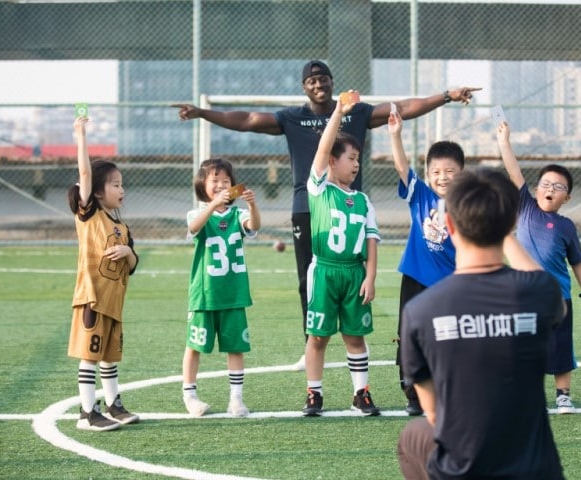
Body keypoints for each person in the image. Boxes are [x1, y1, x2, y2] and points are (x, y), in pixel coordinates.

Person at [173, 60, 479, 370]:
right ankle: (312, 344)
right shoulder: (293, 118)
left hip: (349, 212)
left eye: (324, 79)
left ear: (333, 82)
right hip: (308, 210)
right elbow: (249, 118)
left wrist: (446, 95)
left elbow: (401, 106)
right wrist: (202, 113)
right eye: (312, 81)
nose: (318, 85)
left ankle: (354, 337)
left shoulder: (357, 112)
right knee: (309, 280)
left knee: (354, 275)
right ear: (304, 87)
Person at [397, 168, 566, 480]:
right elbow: (544, 284)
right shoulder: (540, 293)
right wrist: (506, 234)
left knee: (414, 434)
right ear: (512, 224)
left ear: (449, 225)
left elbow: (435, 415)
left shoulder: (420, 311)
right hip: (537, 471)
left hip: (463, 471)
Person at [497, 120, 581, 414]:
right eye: (545, 184)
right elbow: (513, 171)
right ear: (536, 188)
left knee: (560, 346)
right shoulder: (526, 207)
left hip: (559, 298)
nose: (550, 189)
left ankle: (563, 395)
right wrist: (505, 141)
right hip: (523, 294)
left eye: (558, 187)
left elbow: (578, 262)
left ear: (566, 197)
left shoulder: (567, 226)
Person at [301, 92, 380, 417]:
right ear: (333, 161)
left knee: (354, 335)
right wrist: (339, 112)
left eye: (359, 160)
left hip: (354, 272)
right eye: (352, 158)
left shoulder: (363, 201)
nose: (356, 164)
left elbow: (372, 241)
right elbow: (323, 147)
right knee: (318, 337)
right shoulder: (320, 188)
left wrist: (371, 276)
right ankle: (314, 393)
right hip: (324, 271)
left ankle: (360, 392)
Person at [386, 107, 465, 416]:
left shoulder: (467, 202)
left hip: (450, 284)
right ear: (428, 174)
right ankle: (412, 391)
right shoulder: (420, 194)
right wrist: (395, 135)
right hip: (416, 278)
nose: (442, 177)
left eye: (450, 172)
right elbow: (402, 167)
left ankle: (449, 389)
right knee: (410, 334)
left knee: (448, 337)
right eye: (436, 172)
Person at [67, 116, 140, 432]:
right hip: (93, 300)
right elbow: (84, 172)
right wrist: (81, 135)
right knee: (90, 356)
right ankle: (87, 412)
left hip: (115, 305)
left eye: (122, 184)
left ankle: (114, 405)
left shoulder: (122, 228)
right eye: (115, 184)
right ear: (96, 192)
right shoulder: (89, 215)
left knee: (110, 357)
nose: (121, 189)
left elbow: (133, 265)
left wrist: (127, 252)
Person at [181, 158, 261, 418]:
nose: (221, 185)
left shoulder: (238, 214)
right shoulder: (197, 213)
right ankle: (190, 395)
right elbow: (194, 227)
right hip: (205, 295)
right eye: (214, 180)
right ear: (202, 185)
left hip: (234, 293)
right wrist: (213, 205)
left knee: (235, 346)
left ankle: (236, 398)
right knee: (195, 345)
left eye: (226, 181)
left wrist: (252, 204)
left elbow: (254, 226)